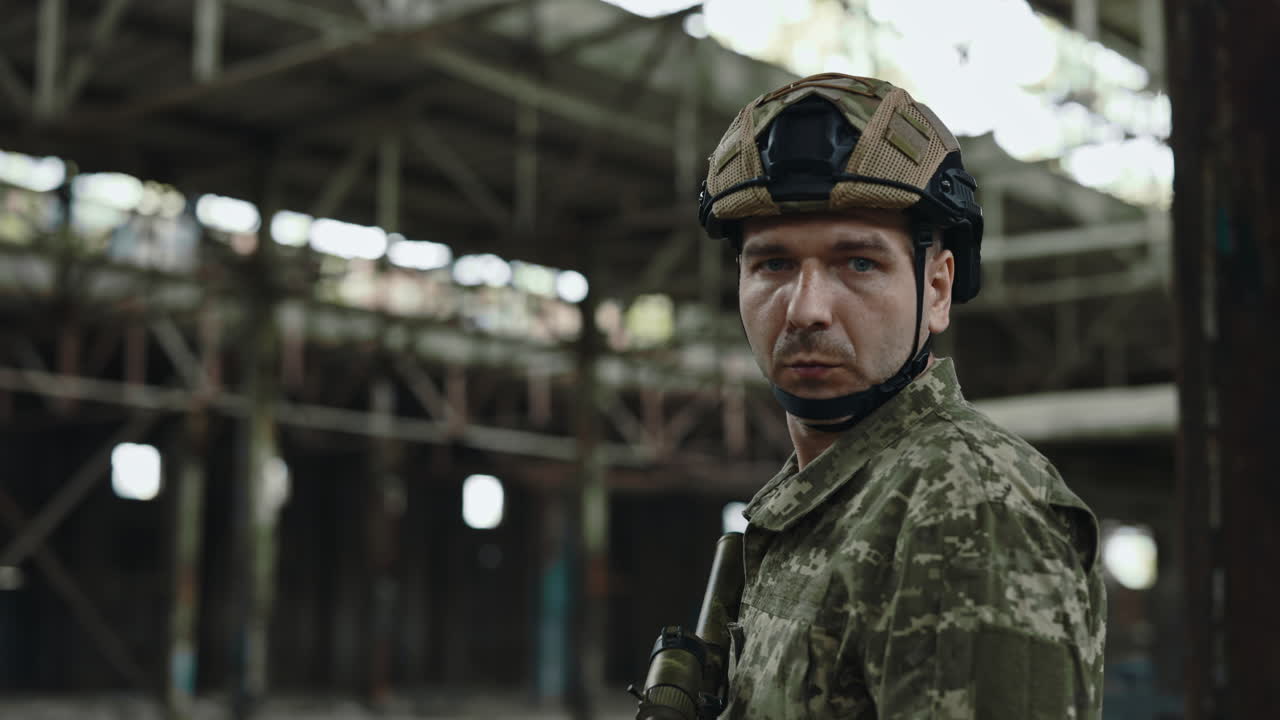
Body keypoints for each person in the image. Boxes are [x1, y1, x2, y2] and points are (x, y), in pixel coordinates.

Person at [697, 73, 1107, 719]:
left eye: (858, 263)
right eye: (772, 264)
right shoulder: (819, 496)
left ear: (938, 290)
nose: (806, 310)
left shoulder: (966, 505)